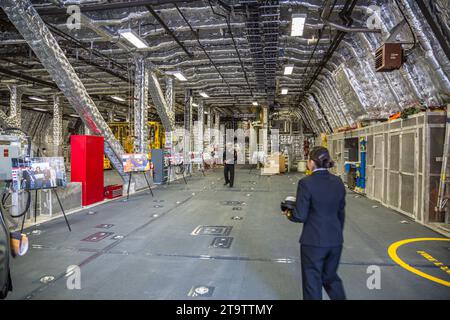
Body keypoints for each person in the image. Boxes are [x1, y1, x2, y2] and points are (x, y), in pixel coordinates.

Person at [284, 146, 346, 300]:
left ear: (312, 162)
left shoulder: (306, 183)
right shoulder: (338, 182)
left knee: (312, 281)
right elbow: (341, 213)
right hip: (335, 240)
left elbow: (300, 215)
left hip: (313, 241)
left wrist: (288, 212)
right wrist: (336, 233)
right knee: (330, 278)